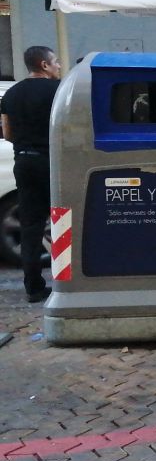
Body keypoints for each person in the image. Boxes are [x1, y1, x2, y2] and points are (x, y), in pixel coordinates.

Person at [1, 46, 63, 303]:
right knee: (65, 220)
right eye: (56, 62)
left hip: (24, 162)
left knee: (30, 226)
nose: (59, 66)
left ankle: (34, 287)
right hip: (53, 162)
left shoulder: (12, 94)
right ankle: (71, 284)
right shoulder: (58, 92)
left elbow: (7, 133)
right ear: (44, 65)